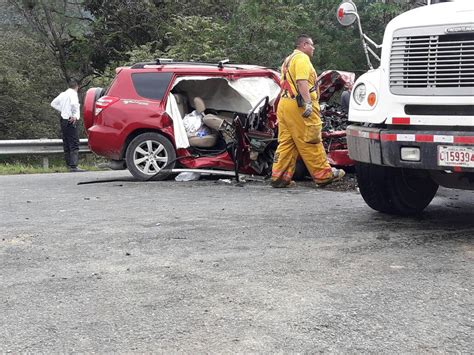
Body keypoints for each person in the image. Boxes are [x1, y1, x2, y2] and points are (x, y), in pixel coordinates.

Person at [271, 34, 345, 188]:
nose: (314, 48)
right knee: (310, 138)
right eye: (311, 45)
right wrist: (308, 103)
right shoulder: (302, 59)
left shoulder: (288, 60)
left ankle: (279, 178)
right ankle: (324, 175)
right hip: (298, 107)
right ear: (304, 45)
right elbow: (301, 82)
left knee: (286, 142)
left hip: (285, 106)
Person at [50, 79, 85, 172]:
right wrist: (74, 115)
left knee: (66, 142)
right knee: (74, 142)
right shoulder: (73, 94)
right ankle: (74, 165)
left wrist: (63, 110)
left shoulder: (63, 94)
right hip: (70, 120)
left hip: (63, 120)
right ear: (77, 87)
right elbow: (74, 104)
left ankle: (69, 164)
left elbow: (53, 103)